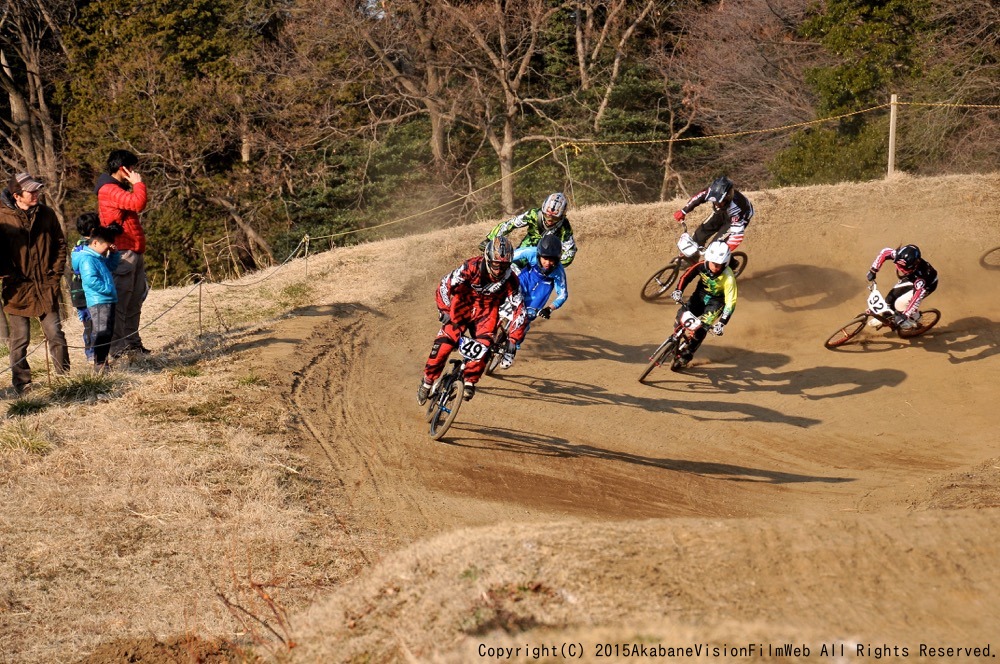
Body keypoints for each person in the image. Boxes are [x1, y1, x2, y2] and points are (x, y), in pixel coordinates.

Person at [417, 237, 527, 404]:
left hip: (487, 313)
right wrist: (444, 310)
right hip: (462, 306)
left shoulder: (511, 279)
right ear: (488, 258)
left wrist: (513, 339)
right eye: (496, 264)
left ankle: (469, 381)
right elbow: (445, 284)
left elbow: (520, 309)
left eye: (503, 265)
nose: (498, 270)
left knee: (484, 345)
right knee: (444, 346)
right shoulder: (471, 266)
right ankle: (427, 381)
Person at [0, 172, 70, 394]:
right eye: (31, 191)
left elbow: (60, 243)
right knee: (20, 340)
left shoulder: (46, 214)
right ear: (17, 195)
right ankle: (22, 385)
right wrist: (7, 274)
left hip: (45, 286)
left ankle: (64, 380)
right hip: (17, 289)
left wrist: (55, 274)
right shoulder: (1, 217)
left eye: (37, 189)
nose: (36, 194)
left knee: (55, 333)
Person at [95, 149, 149, 357]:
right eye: (132, 167)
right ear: (122, 168)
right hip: (123, 252)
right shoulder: (108, 189)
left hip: (133, 249)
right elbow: (138, 203)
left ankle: (133, 343)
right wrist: (138, 184)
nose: (134, 171)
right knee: (121, 303)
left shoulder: (115, 187)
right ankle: (118, 348)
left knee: (135, 301)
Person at [669, 241, 738, 370]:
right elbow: (686, 276)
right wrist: (678, 290)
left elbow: (731, 302)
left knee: (702, 328)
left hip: (716, 303)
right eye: (713, 263)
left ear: (726, 263)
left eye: (719, 265)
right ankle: (675, 340)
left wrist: (722, 323)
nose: (715, 267)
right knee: (680, 317)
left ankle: (688, 353)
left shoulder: (729, 278)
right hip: (699, 296)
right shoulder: (702, 266)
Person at [71, 225, 122, 371]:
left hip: (107, 299)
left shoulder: (98, 257)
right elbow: (91, 280)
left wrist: (114, 254)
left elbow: (111, 266)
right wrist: (108, 289)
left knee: (107, 332)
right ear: (95, 243)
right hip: (99, 301)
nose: (107, 249)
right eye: (105, 246)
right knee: (102, 332)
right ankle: (99, 364)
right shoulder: (88, 259)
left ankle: (103, 362)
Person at [507, 234, 568, 357]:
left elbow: (563, 294)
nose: (548, 263)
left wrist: (549, 308)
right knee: (505, 296)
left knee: (528, 315)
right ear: (539, 254)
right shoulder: (531, 252)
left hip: (542, 289)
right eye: (545, 258)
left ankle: (517, 341)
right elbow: (509, 256)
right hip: (526, 278)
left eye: (552, 260)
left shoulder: (558, 271)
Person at [480, 192, 578, 266]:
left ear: (562, 216)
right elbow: (510, 224)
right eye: (547, 216)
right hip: (526, 248)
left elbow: (570, 251)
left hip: (547, 257)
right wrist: (490, 239)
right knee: (508, 266)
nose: (550, 220)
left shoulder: (565, 227)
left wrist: (556, 264)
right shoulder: (534, 214)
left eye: (554, 218)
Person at [672, 176, 754, 251]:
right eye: (714, 202)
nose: (716, 204)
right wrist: (683, 211)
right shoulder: (712, 191)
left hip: (738, 218)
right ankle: (690, 260)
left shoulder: (737, 209)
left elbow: (737, 235)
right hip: (722, 212)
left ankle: (729, 265)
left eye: (719, 202)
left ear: (727, 198)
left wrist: (726, 249)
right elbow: (698, 198)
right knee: (699, 235)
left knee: (716, 248)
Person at [866, 244, 938, 329]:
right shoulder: (899, 256)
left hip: (926, 285)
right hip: (911, 278)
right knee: (889, 298)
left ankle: (917, 318)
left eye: (904, 267)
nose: (900, 268)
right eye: (898, 265)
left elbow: (916, 299)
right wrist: (873, 270)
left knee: (900, 304)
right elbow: (885, 253)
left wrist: (905, 315)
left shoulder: (922, 277)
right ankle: (885, 317)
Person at [69, 212, 102, 361]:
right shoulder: (96, 247)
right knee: (99, 324)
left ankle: (90, 353)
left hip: (77, 292)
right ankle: (97, 355)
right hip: (92, 293)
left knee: (88, 325)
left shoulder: (76, 247)